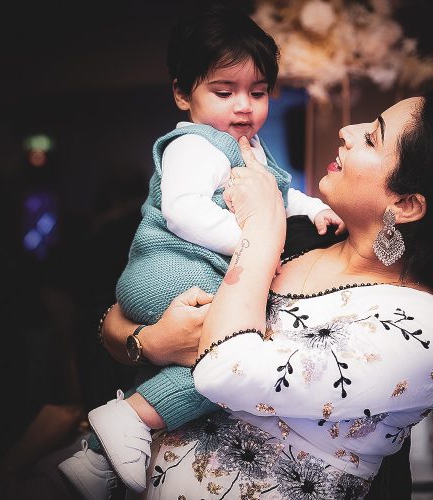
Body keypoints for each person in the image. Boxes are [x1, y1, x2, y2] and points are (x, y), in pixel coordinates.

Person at [98, 91, 433, 499]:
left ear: (407, 204)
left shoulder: (422, 328)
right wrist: (147, 343)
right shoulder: (300, 235)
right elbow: (116, 316)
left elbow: (223, 373)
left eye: (372, 138)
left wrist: (261, 227)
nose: (347, 131)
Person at [58, 3, 343, 498]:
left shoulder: (251, 149)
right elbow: (183, 212)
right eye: (223, 92)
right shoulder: (194, 145)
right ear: (181, 93)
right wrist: (257, 243)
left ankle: (100, 455)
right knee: (231, 361)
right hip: (167, 268)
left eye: (258, 93)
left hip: (192, 272)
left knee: (216, 368)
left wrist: (313, 208)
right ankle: (127, 418)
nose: (243, 107)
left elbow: (278, 195)